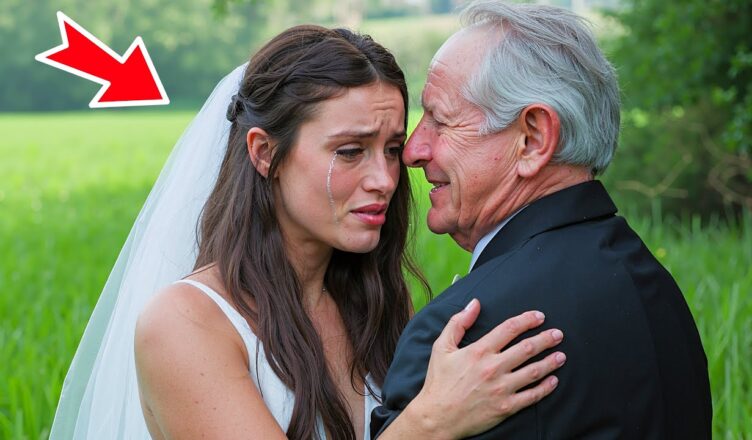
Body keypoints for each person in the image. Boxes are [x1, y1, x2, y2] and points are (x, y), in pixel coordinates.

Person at [49, 25, 567, 440]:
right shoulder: (186, 324)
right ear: (264, 153)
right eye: (350, 151)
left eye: (391, 149)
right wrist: (432, 422)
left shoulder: (381, 303)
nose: (385, 179)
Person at [371, 1, 713, 438]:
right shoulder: (654, 287)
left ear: (533, 139)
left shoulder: (463, 336)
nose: (414, 150)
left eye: (440, 121)